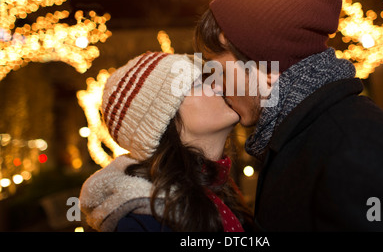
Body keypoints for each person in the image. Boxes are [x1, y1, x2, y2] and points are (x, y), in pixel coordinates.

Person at [193, 0, 383, 231]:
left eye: (219, 70)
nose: (216, 85)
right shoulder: (309, 137)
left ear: (267, 67)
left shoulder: (355, 149)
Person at [79, 52, 253, 232]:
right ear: (161, 120)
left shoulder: (221, 192)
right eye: (199, 83)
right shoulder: (141, 221)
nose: (219, 85)